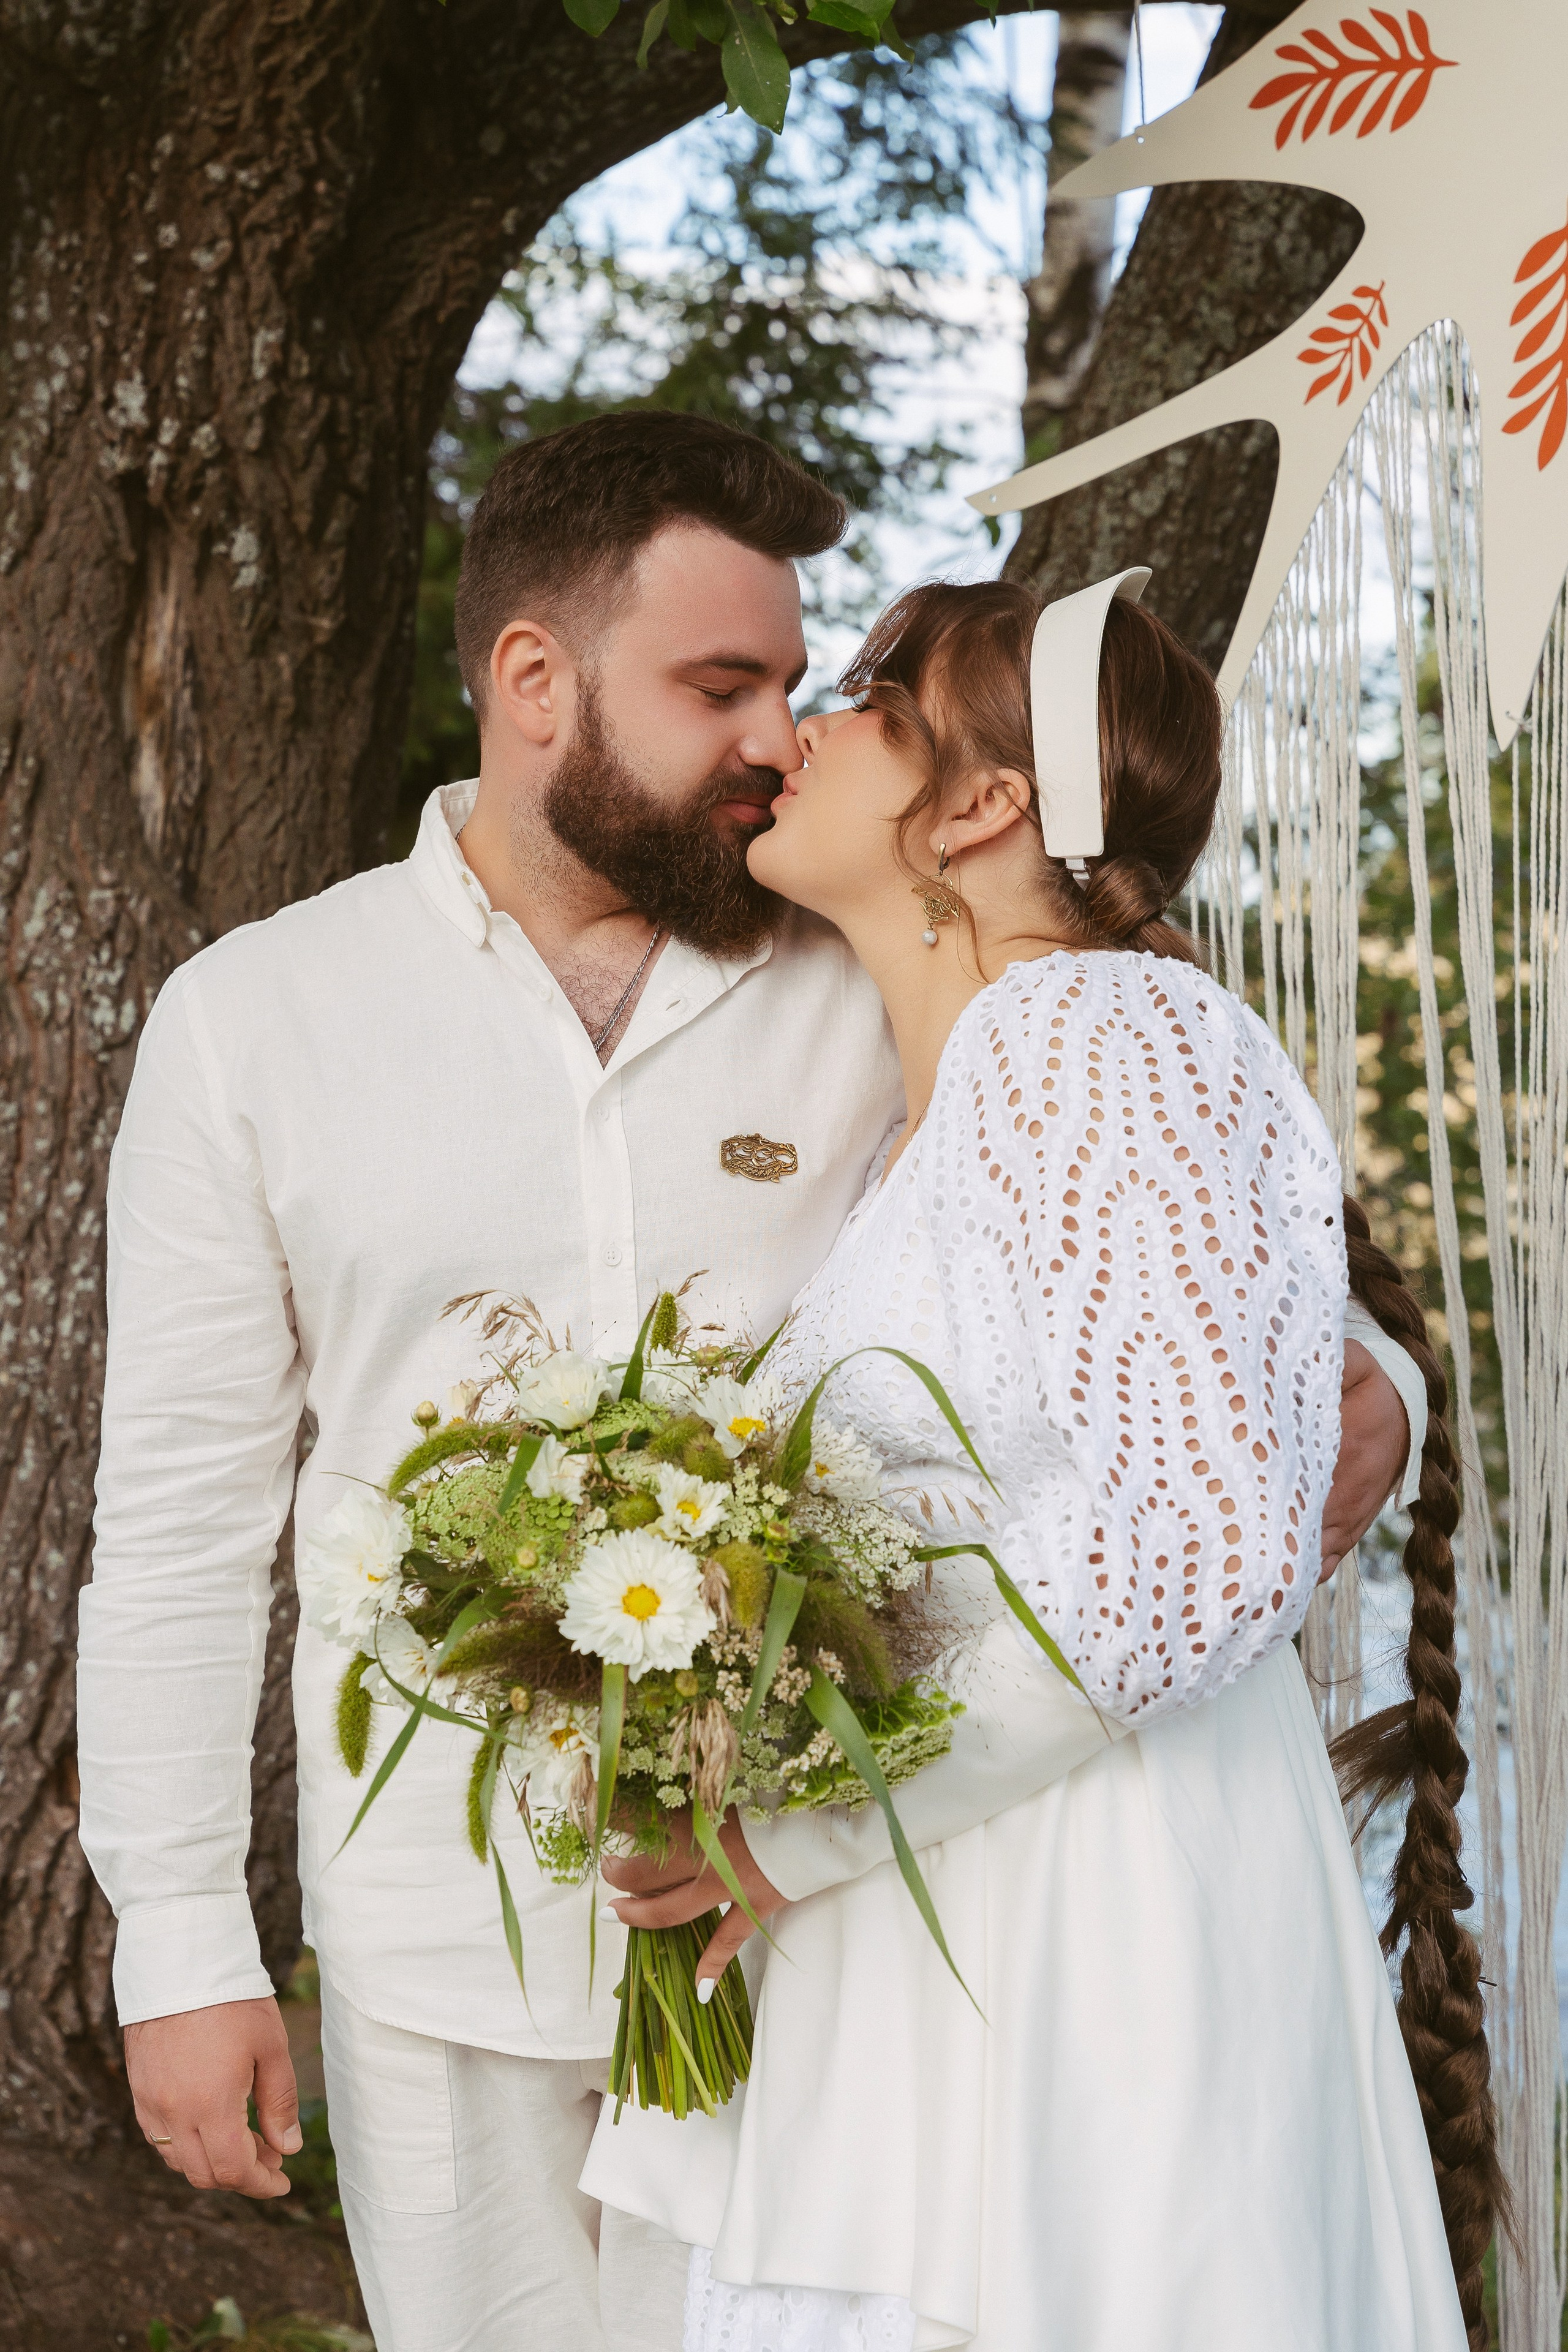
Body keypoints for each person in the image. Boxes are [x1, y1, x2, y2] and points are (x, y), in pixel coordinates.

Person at [77, 415, 1411, 2352]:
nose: (781, 736)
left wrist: (1369, 1391)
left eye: (810, 687)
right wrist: (183, 1946)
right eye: (726, 686)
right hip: (448, 1936)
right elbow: (183, 1524)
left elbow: (1170, 1281)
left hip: (859, 1942)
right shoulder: (258, 1023)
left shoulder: (872, 971)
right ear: (537, 681)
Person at [592, 574, 1505, 2351]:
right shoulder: (964, 1095)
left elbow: (1194, 1550)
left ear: (987, 801)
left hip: (1083, 1933)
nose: (801, 734)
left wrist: (813, 1819)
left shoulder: (1102, 1038)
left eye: (860, 695)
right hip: (964, 1909)